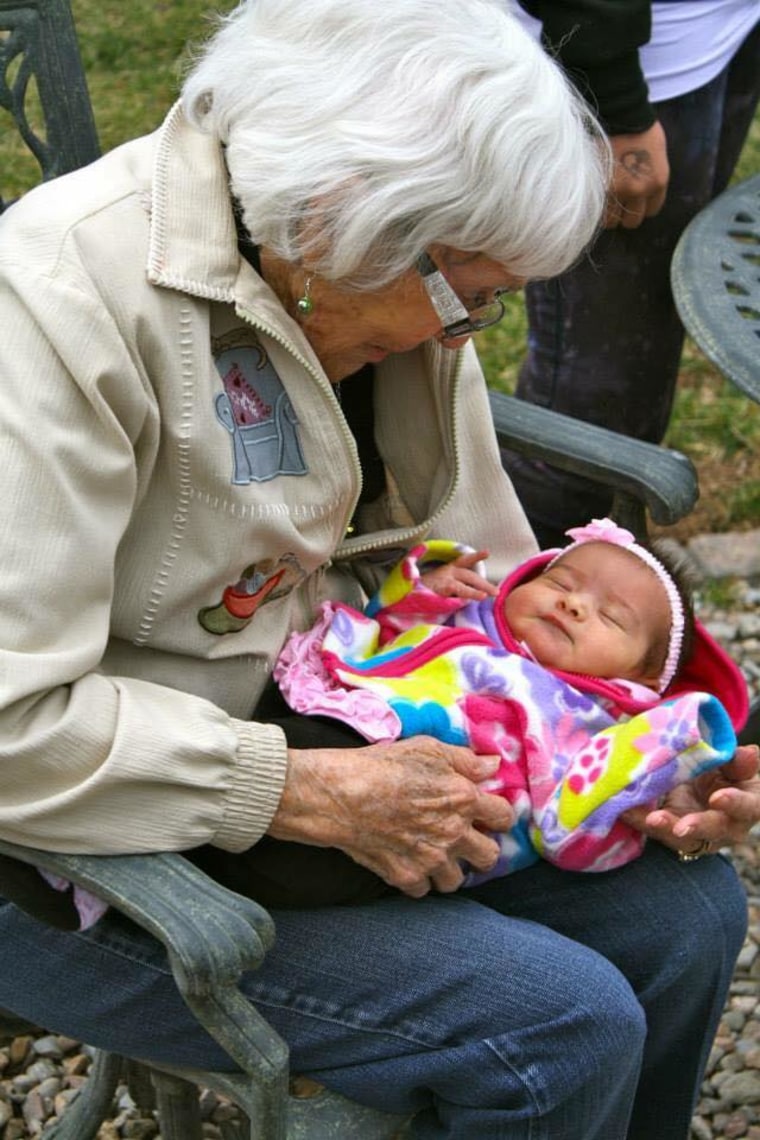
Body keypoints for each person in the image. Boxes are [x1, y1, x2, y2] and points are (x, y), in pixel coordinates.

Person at [0, 2, 757, 1137]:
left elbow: (487, 573)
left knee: (686, 913)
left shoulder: (384, 292)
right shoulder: (54, 312)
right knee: (555, 1030)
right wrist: (298, 793)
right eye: (471, 296)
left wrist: (620, 753)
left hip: (336, 731)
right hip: (81, 843)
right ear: (330, 219)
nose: (472, 337)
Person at [251, 517, 745, 906]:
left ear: (640, 680)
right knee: (274, 757)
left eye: (612, 616)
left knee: (297, 866)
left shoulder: (590, 726)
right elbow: (389, 629)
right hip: (339, 729)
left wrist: (649, 768)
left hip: (422, 829)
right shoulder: (476, 617)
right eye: (561, 581)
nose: (573, 603)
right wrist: (426, 591)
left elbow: (572, 828)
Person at [503, 0, 760, 547]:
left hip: (724, 29)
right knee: (589, 426)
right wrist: (612, 97)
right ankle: (514, 596)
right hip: (637, 65)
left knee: (639, 383)